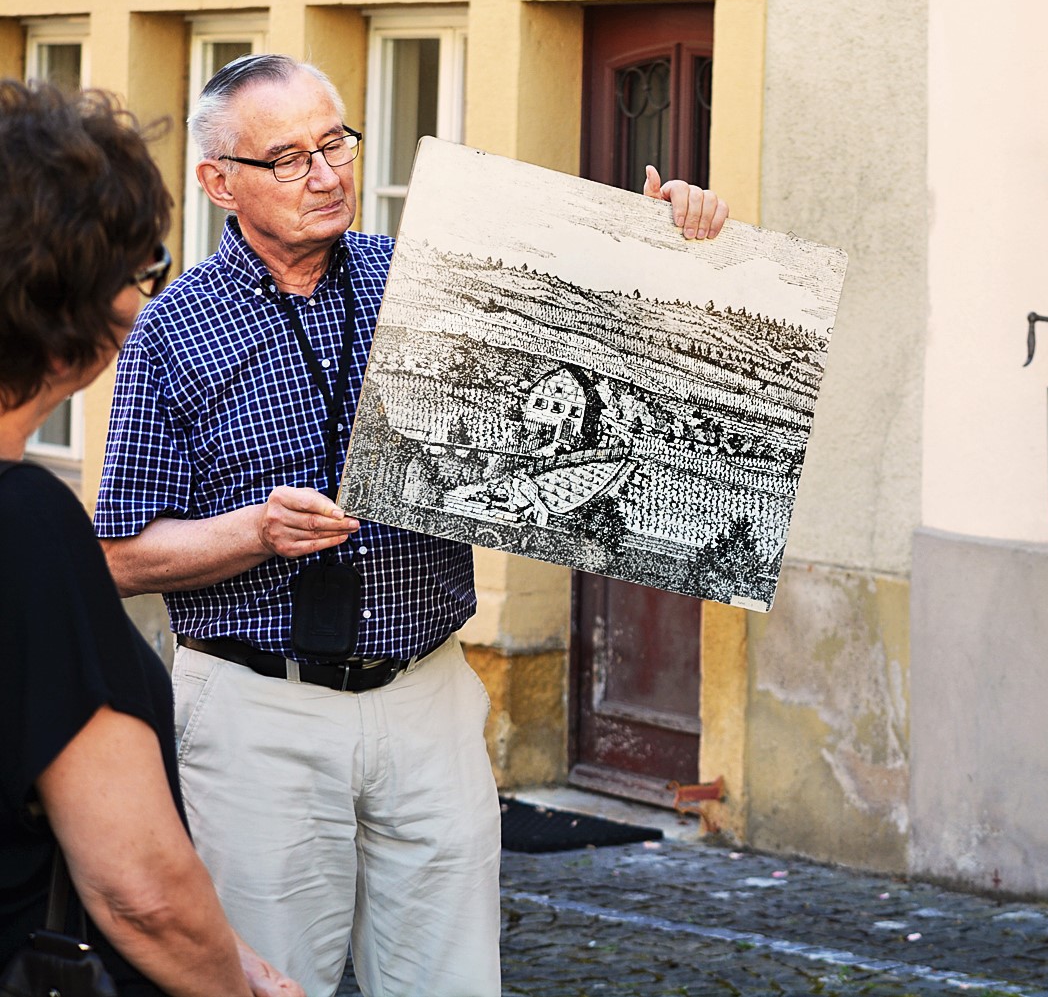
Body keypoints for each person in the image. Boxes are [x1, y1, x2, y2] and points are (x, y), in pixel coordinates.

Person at [94, 53, 727, 996]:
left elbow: (604, 356)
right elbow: (119, 556)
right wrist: (253, 531)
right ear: (218, 180)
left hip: (428, 697)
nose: (327, 173)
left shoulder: (424, 283)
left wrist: (670, 242)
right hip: (259, 714)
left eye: (336, 143)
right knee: (267, 985)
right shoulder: (172, 330)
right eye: (289, 158)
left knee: (451, 982)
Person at [0, 80, 300, 997]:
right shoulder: (25, 528)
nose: (143, 307)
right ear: (65, 319)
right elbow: (141, 890)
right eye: (134, 275)